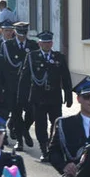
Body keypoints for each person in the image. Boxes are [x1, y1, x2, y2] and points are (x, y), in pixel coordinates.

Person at [21, 31, 72, 163]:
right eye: (44, 42)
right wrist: (22, 97)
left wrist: (68, 94)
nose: (47, 45)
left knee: (55, 123)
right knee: (40, 125)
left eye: (49, 42)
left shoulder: (58, 57)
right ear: (39, 43)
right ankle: (44, 149)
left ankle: (51, 146)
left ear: (52, 43)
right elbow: (25, 78)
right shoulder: (32, 57)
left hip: (54, 96)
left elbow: (65, 77)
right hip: (38, 98)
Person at [3, 22, 37, 150]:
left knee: (31, 113)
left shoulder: (33, 45)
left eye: (24, 34)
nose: (22, 37)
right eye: (20, 34)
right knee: (16, 113)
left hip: (28, 86)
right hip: (13, 85)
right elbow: (6, 65)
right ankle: (20, 141)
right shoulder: (7, 45)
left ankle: (24, 130)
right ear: (15, 32)